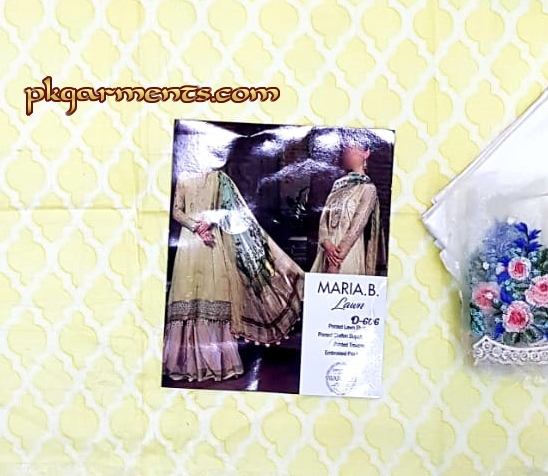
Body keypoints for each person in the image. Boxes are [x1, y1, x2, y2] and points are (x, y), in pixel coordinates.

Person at [164, 169, 304, 382]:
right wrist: (196, 227)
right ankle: (186, 363)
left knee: (214, 295)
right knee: (187, 297)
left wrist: (210, 221)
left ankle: (216, 363)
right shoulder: (184, 177)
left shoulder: (219, 178)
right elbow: (176, 211)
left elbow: (232, 212)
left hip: (213, 243)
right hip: (190, 244)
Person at [310, 130, 385, 276]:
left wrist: (336, 260)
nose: (348, 151)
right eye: (346, 147)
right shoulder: (338, 184)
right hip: (327, 252)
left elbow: (357, 226)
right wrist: (327, 244)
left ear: (366, 153)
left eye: (353, 147)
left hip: (346, 255)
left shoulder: (368, 189)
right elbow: (324, 218)